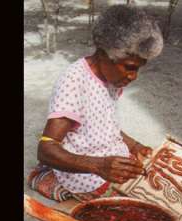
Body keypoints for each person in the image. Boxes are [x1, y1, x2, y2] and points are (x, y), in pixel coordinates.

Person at [28, 4, 164, 202]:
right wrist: (98, 166)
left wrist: (135, 146)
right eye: (129, 67)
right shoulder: (74, 81)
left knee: (163, 179)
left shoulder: (112, 79)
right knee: (142, 207)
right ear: (103, 54)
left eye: (138, 69)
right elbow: (46, 150)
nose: (133, 76)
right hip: (85, 172)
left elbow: (104, 124)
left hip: (108, 159)